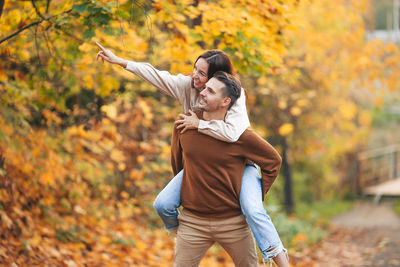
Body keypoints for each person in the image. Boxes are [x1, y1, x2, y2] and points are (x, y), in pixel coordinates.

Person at [95, 42, 288, 265]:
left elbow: (234, 134)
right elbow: (157, 76)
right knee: (162, 203)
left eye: (202, 73)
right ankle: (180, 230)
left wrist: (199, 125)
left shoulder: (235, 98)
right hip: (200, 166)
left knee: (253, 209)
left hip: (241, 165)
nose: (195, 76)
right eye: (194, 68)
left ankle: (278, 258)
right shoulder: (188, 86)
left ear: (218, 79)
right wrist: (121, 62)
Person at [171, 71, 282, 266]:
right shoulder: (185, 123)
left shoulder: (240, 135)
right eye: (205, 88)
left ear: (225, 101)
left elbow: (273, 161)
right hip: (193, 222)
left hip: (234, 223)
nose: (202, 93)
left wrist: (257, 193)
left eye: (211, 91)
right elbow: (178, 165)